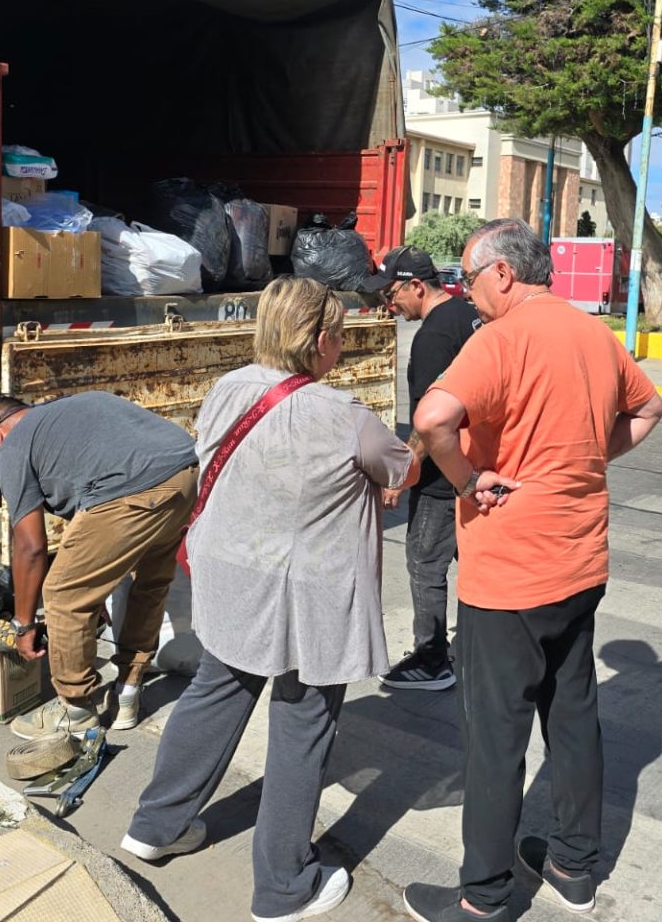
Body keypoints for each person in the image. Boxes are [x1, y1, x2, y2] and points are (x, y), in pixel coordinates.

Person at [121, 276, 418, 922]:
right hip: (306, 598)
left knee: (216, 691)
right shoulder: (345, 418)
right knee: (302, 722)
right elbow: (402, 467)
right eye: (337, 336)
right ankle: (284, 887)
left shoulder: (228, 389)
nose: (341, 347)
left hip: (231, 578)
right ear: (316, 343)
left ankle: (155, 824)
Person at [403, 219, 662, 922]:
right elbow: (649, 408)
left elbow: (433, 418)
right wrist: (582, 462)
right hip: (579, 559)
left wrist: (464, 481)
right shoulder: (591, 333)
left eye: (469, 278)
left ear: (503, 274)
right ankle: (576, 867)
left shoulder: (502, 338)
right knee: (573, 714)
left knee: (495, 734)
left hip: (511, 570)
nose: (466, 293)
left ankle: (483, 896)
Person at [0, 390, 197, 738]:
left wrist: (23, 624)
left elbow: (30, 546)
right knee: (150, 585)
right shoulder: (72, 409)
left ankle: (75, 709)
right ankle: (128, 691)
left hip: (133, 487)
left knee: (64, 593)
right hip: (186, 470)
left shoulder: (14, 444)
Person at [364, 245, 479, 691]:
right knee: (470, 562)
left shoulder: (433, 336)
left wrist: (401, 476)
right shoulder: (468, 315)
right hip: (474, 464)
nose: (389, 305)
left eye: (393, 294)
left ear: (416, 285)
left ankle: (432, 660)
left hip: (440, 479)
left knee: (425, 564)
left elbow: (431, 422)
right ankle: (475, 648)